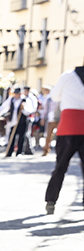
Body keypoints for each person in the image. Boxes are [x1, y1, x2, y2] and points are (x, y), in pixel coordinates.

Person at [44, 63, 84, 215]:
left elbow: (55, 96)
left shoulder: (67, 76)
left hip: (69, 125)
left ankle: (51, 201)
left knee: (60, 166)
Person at [0, 86, 37, 156]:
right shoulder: (11, 100)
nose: (16, 95)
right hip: (13, 121)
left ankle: (19, 152)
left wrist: (23, 108)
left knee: (21, 137)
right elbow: (3, 107)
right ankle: (9, 151)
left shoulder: (25, 100)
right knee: (12, 136)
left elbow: (30, 111)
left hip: (22, 121)